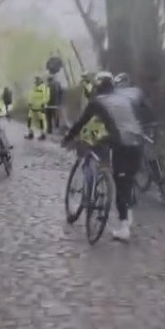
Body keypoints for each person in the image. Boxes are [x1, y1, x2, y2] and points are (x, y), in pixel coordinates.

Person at [63, 71, 148, 241]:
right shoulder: (125, 99)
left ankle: (124, 227)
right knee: (128, 180)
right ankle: (128, 216)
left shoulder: (97, 102)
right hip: (138, 142)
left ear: (97, 87)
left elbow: (81, 123)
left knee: (120, 181)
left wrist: (67, 139)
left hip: (123, 144)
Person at [26, 75, 50, 140]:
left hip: (40, 107)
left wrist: (44, 103)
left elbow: (46, 97)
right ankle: (30, 133)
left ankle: (43, 134)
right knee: (30, 120)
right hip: (33, 107)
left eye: (37, 80)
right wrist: (29, 102)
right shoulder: (34, 88)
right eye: (35, 80)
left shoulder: (44, 87)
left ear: (40, 80)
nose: (36, 81)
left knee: (41, 121)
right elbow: (31, 96)